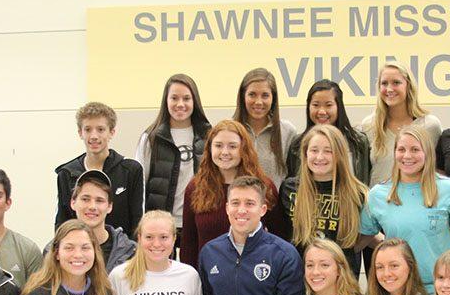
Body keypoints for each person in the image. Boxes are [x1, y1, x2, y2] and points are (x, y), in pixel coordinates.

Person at [360, 125, 450, 292]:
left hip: (440, 291)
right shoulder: (378, 195)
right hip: (398, 289)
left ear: (428, 153)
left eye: (415, 149)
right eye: (401, 149)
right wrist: (388, 245)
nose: (407, 156)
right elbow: (364, 236)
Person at [180, 119, 284, 270]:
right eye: (218, 145)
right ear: (209, 149)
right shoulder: (195, 188)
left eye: (233, 146)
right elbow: (188, 243)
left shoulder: (264, 187)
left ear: (244, 149)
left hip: (255, 278)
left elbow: (279, 238)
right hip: (209, 279)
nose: (225, 152)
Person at [280, 125, 368, 275]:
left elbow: (369, 233)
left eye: (328, 151)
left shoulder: (358, 193)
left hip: (342, 280)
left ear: (340, 155)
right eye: (314, 150)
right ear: (305, 153)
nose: (320, 157)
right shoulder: (290, 188)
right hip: (299, 279)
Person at [135, 74, 212, 236]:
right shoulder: (151, 138)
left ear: (194, 101)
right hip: (161, 226)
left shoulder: (208, 136)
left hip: (197, 222)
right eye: (174, 98)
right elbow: (140, 184)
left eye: (186, 98)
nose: (180, 104)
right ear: (166, 101)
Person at [56, 102, 144, 235]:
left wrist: (131, 253)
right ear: (80, 133)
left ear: (112, 132)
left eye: (100, 129)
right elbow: (62, 222)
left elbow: (137, 220)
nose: (94, 136)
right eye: (88, 129)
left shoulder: (131, 170)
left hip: (121, 252)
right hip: (81, 251)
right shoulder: (67, 173)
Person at [360, 62, 441, 187]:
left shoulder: (429, 125)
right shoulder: (369, 125)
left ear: (408, 86)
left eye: (396, 83)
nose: (389, 89)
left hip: (418, 201)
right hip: (379, 203)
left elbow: (436, 170)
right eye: (384, 83)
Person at [285, 79, 372, 184]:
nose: (322, 111)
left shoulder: (358, 142)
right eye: (316, 105)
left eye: (328, 105)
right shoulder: (297, 144)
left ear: (339, 107)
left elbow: (365, 181)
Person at [234, 68, 297, 189]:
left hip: (274, 206)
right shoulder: (230, 130)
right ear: (243, 96)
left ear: (273, 98)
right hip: (237, 206)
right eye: (252, 94)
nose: (258, 102)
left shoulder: (288, 132)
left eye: (265, 95)